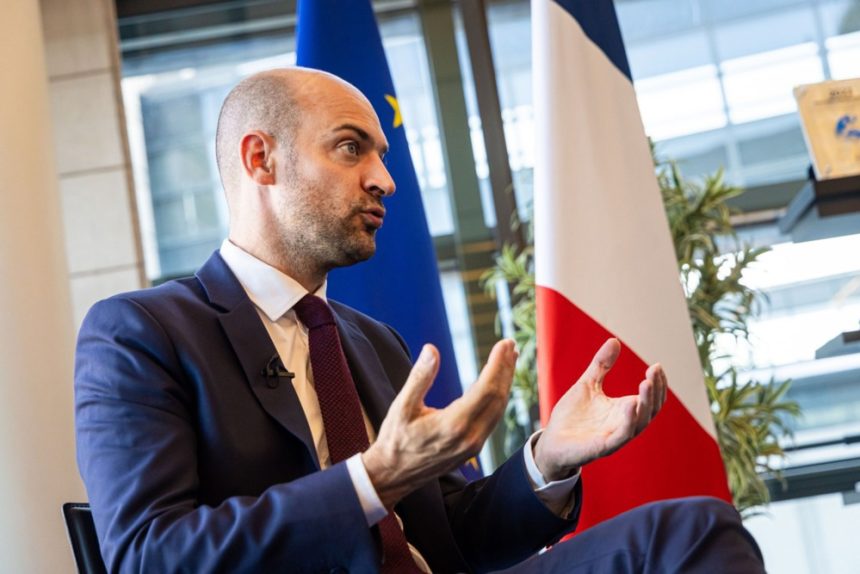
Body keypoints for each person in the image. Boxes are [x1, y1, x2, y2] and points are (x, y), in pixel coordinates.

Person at [74, 67, 765, 573]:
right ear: (261, 159)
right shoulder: (141, 334)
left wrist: (547, 460)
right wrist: (372, 478)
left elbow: (457, 537)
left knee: (695, 530)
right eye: (351, 148)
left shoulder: (372, 342)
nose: (385, 180)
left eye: (382, 155)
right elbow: (149, 557)